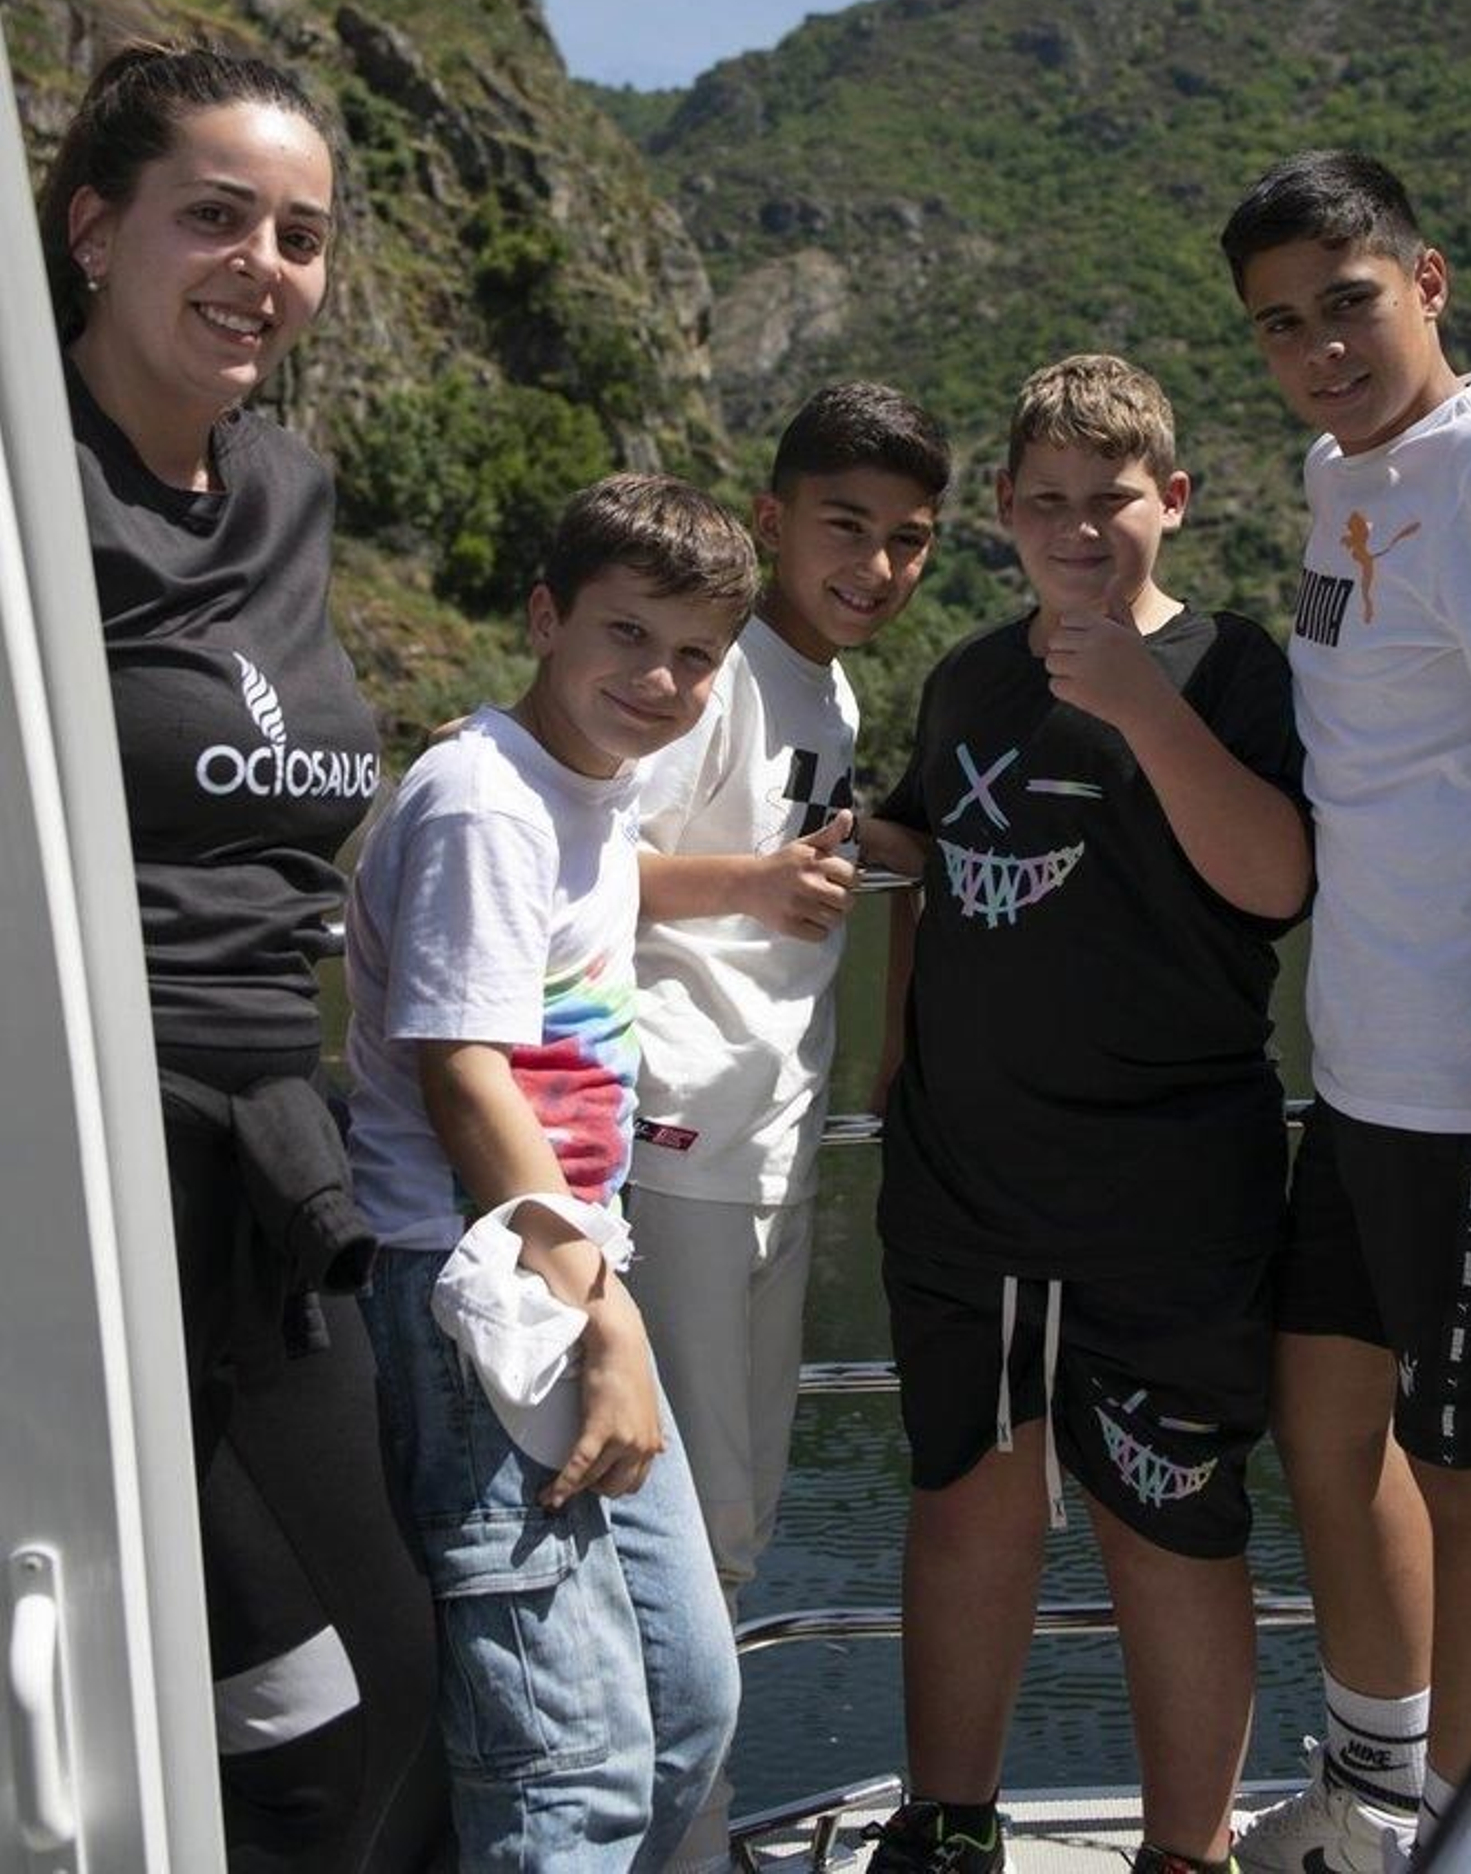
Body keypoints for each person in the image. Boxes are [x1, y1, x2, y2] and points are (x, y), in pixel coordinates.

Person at [37, 40, 447, 1867]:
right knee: (290, 1733)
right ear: (89, 228)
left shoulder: (286, 486)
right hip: (87, 1169)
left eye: (299, 235)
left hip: (279, 1178)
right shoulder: (22, 489)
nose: (262, 267)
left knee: (396, 1693)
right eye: (214, 217)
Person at [866, 354, 1311, 1874]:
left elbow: (1278, 879)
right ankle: (950, 1822)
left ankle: (1189, 1853)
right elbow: (926, 855)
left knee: (1169, 1525)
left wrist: (1135, 698)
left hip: (1168, 1201)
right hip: (965, 1187)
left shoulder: (1240, 669)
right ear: (999, 512)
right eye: (1043, 502)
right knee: (966, 1502)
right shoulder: (968, 678)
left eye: (1108, 501)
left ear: (1171, 503)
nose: (1075, 530)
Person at [1222, 152, 1471, 1873]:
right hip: (1361, 1075)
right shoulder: (1339, 472)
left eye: (1349, 303)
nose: (1322, 349)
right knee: (1323, 1422)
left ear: (1427, 280)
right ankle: (1378, 1794)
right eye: (1282, 325)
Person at [343, 472, 757, 1871]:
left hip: (563, 1283)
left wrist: (758, 879)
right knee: (563, 1770)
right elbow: (466, 1076)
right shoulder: (481, 805)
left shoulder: (587, 782)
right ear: (544, 616)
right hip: (482, 1302)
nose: (661, 678)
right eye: (628, 636)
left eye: (696, 655)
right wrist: (606, 1316)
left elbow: (613, 884)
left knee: (689, 1703)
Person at [626, 380, 950, 1863]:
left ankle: (687, 1830)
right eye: (845, 529)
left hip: (771, 1145)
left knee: (733, 1527)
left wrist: (898, 843)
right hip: (680, 1140)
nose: (875, 567)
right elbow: (590, 871)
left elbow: (810, 827)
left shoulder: (827, 692)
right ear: (770, 522)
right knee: (690, 1535)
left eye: (908, 543)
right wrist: (759, 882)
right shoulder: (713, 670)